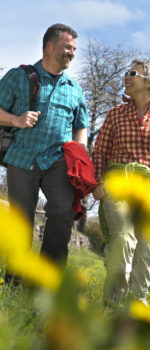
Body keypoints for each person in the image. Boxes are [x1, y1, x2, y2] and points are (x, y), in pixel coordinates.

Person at [92, 59, 150, 306]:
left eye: (132, 73)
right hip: (119, 185)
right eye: (126, 72)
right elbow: (100, 151)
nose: (126, 76)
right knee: (123, 238)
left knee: (145, 252)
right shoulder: (115, 114)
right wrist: (99, 180)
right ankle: (113, 303)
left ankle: (136, 307)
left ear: (149, 82)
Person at [0, 24, 88, 270]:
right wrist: (16, 120)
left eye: (74, 49)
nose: (72, 53)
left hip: (59, 162)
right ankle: (16, 280)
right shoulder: (19, 76)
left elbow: (81, 125)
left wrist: (79, 153)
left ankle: (46, 282)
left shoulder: (74, 89)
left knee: (62, 214)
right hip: (22, 158)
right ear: (49, 47)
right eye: (67, 47)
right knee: (22, 222)